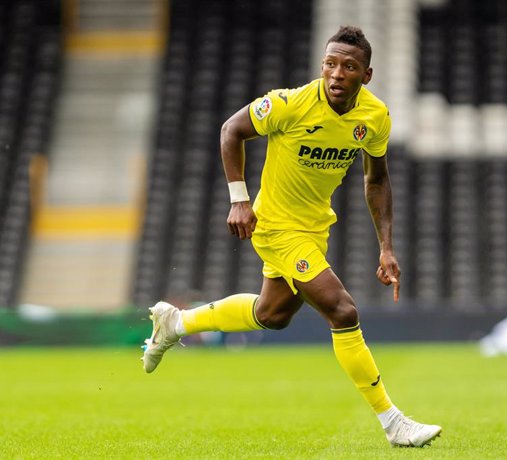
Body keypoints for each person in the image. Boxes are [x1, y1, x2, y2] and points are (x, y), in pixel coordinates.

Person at [142, 25, 442, 448]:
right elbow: (231, 130)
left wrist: (386, 248)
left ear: (367, 75)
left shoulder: (375, 117)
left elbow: (377, 181)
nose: (337, 74)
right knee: (343, 311)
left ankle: (176, 322)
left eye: (349, 66)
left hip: (315, 226)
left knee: (273, 314)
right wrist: (239, 199)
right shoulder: (290, 103)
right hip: (276, 225)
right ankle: (394, 422)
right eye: (330, 64)